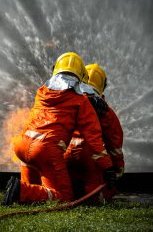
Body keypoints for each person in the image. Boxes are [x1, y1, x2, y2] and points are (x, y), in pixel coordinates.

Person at [1, 52, 116, 206]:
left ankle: (20, 192)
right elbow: (94, 139)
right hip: (45, 151)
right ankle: (20, 191)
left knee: (37, 192)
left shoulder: (42, 92)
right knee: (63, 196)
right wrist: (108, 167)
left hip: (22, 144)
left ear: (55, 70)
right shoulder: (80, 102)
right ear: (81, 77)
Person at [65, 63, 125, 202]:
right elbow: (114, 142)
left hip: (65, 153)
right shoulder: (106, 111)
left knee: (62, 187)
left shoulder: (69, 100)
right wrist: (117, 166)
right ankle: (89, 194)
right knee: (102, 194)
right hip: (91, 156)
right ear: (102, 87)